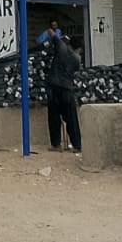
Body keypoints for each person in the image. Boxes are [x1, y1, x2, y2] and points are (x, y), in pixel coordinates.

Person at [44, 20, 82, 153]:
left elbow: (51, 33)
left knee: (54, 117)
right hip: (67, 89)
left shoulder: (61, 47)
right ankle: (76, 145)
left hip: (53, 87)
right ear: (77, 48)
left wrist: (54, 33)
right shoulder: (77, 59)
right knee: (71, 118)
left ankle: (56, 144)